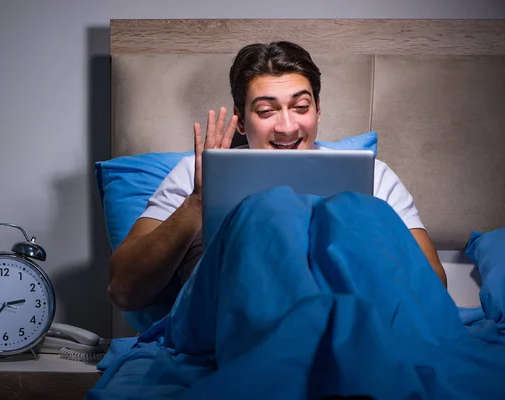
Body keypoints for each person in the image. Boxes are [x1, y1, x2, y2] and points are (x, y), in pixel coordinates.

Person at [107, 41, 447, 314]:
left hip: (349, 324)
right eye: (267, 111)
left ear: (317, 111)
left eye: (301, 107)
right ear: (241, 122)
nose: (287, 126)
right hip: (232, 327)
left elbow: (433, 287)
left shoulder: (374, 176)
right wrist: (197, 203)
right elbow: (124, 290)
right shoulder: (196, 174)